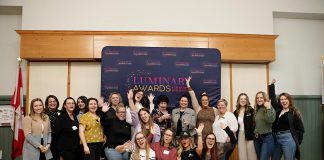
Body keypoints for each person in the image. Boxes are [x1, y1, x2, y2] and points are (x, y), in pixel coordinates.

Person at [269, 79, 305, 160]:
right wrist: (271, 85)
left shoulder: (294, 112)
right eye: (281, 99)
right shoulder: (278, 110)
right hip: (276, 138)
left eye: (285, 99)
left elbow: (301, 129)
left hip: (288, 139)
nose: (283, 101)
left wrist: (296, 142)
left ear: (289, 100)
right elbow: (272, 98)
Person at [233, 93, 257, 160]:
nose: (243, 100)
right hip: (240, 135)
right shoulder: (235, 112)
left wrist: (252, 134)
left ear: (247, 100)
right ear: (238, 100)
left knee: (252, 156)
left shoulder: (251, 111)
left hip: (250, 136)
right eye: (241, 99)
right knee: (242, 156)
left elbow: (255, 124)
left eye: (245, 99)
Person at [253, 91, 276, 160]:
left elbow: (271, 120)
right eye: (257, 98)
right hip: (257, 139)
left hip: (267, 139)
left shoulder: (270, 109)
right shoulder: (257, 110)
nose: (259, 99)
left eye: (261, 98)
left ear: (265, 99)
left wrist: (268, 108)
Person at [44, 95, 60, 160]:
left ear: (57, 102)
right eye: (50, 102)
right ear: (47, 103)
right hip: (47, 141)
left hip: (58, 142)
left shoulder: (61, 112)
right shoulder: (43, 113)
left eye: (54, 101)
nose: (52, 103)